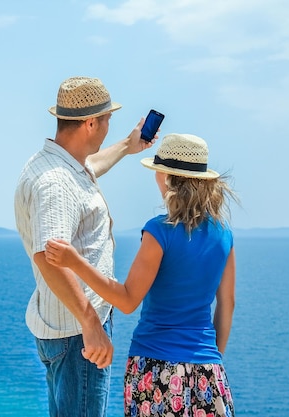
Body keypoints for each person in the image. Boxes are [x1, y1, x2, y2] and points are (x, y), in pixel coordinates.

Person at [45, 133, 238, 417]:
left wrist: (74, 262)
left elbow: (126, 300)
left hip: (155, 367)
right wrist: (212, 357)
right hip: (209, 371)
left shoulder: (160, 232)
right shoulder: (224, 235)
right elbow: (227, 303)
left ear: (167, 177)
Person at [14, 76, 157, 417]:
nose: (109, 126)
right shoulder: (58, 183)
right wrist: (91, 324)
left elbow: (91, 166)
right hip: (78, 334)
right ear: (91, 123)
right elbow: (49, 258)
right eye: (107, 119)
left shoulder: (57, 163)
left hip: (62, 325)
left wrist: (127, 145)